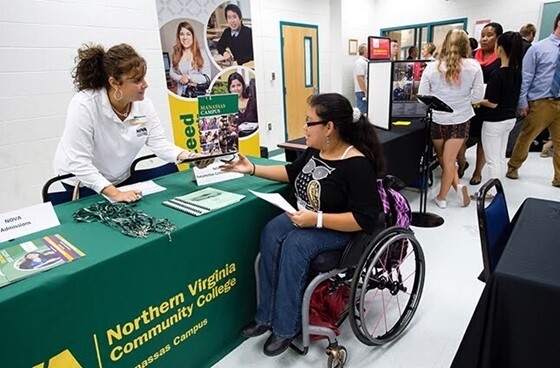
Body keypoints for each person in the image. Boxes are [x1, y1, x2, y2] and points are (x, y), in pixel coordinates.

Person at [221, 93, 384, 356]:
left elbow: (363, 219)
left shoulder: (356, 164)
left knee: (296, 246)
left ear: (329, 127)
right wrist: (251, 168)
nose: (304, 128)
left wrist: (316, 219)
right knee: (272, 231)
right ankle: (265, 316)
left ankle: (285, 327)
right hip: (309, 219)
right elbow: (290, 172)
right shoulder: (316, 151)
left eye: (309, 122)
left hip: (340, 230)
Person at [53, 43, 200, 203]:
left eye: (144, 78)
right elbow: (78, 162)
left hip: (119, 178)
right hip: (82, 184)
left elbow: (159, 143)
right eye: (137, 80)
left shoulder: (144, 106)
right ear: (114, 83)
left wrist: (189, 156)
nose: (145, 85)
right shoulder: (85, 105)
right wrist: (115, 194)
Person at [418, 29, 484, 209]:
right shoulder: (474, 66)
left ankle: (445, 195)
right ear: (466, 45)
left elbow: (423, 94)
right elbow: (478, 97)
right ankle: (452, 189)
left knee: (442, 158)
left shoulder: (432, 66)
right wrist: (462, 100)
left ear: (445, 43)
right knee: (450, 160)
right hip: (461, 119)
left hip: (438, 119)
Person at [507, 13, 560, 188]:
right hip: (541, 101)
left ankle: (559, 179)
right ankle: (513, 166)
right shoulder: (538, 48)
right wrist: (522, 102)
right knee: (526, 137)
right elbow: (527, 76)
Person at [479, 32, 523, 192]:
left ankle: (490, 192)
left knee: (492, 160)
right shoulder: (517, 72)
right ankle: (498, 188)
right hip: (509, 119)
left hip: (494, 121)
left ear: (500, 48)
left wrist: (476, 99)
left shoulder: (498, 74)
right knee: (499, 156)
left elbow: (492, 103)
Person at [460, 22, 503, 184]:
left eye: (489, 35)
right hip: (469, 103)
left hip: (487, 105)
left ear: (498, 38)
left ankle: (477, 172)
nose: (484, 39)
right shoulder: (472, 56)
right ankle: (462, 163)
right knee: (462, 138)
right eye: (482, 35)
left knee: (482, 140)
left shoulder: (500, 59)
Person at [169, 21, 211, 97]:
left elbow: (207, 78)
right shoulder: (176, 53)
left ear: (192, 36)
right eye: (182, 34)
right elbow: (172, 73)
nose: (185, 37)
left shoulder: (202, 53)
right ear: (179, 36)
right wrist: (180, 78)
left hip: (197, 95)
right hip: (181, 95)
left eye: (188, 34)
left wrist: (189, 77)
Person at [354, 43, 369, 114]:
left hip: (364, 90)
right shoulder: (360, 62)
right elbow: (360, 78)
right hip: (362, 91)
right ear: (364, 51)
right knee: (362, 113)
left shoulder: (366, 61)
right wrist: (365, 92)